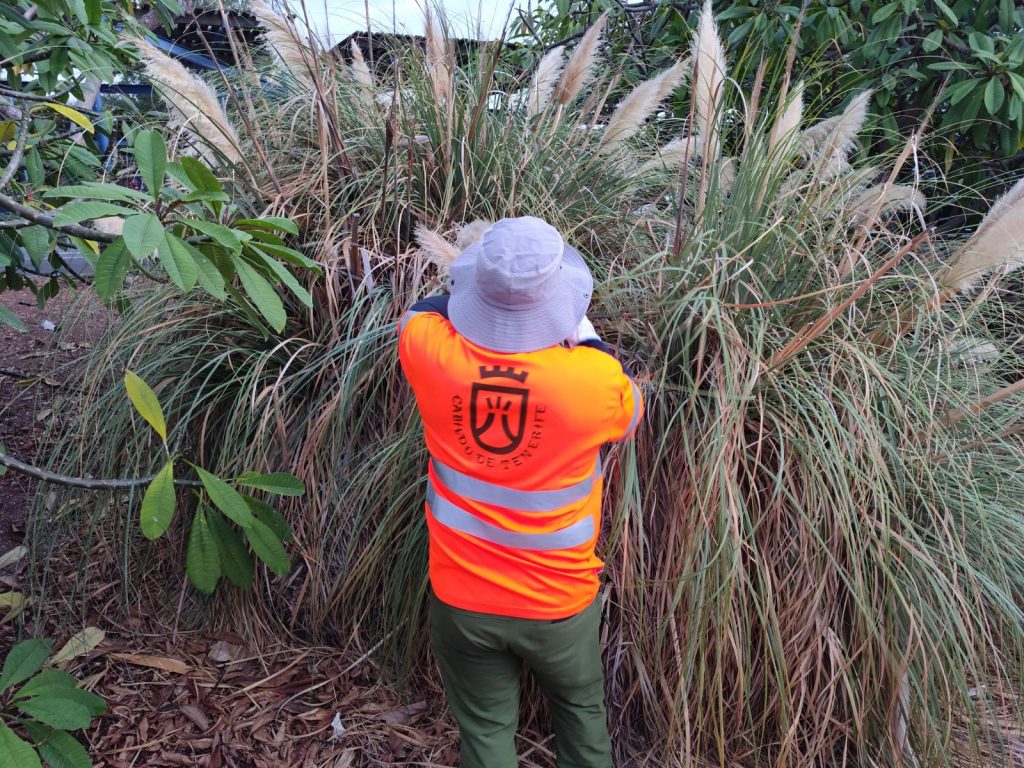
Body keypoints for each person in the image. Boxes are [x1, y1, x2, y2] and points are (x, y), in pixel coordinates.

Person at [397, 216, 643, 768]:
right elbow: (629, 414)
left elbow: (422, 312)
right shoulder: (593, 382)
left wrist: (479, 291)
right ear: (559, 301)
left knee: (485, 735)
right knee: (582, 719)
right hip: (559, 605)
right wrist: (581, 332)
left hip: (462, 599)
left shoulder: (427, 351)